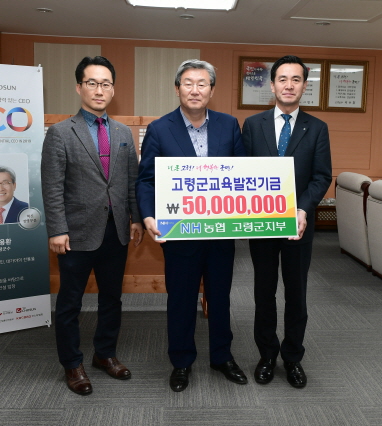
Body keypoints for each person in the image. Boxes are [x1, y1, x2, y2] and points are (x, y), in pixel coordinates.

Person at [136, 59, 247, 392]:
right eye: (188, 83)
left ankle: (222, 356)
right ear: (177, 89)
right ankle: (181, 361)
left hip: (221, 232)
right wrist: (148, 215)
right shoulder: (159, 128)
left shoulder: (229, 125)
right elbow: (146, 180)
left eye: (202, 83)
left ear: (211, 90)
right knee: (181, 300)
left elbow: (243, 175)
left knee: (220, 297)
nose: (195, 90)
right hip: (179, 232)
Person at [41, 56, 144, 396]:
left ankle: (105, 354)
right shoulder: (60, 133)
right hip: (75, 233)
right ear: (79, 87)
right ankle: (72, 364)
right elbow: (52, 186)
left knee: (112, 298)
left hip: (116, 230)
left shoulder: (123, 133)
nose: (99, 90)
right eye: (92, 83)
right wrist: (57, 229)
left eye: (106, 84)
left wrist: (135, 219)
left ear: (113, 89)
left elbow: (131, 182)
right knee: (70, 303)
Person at [242, 55, 332, 389]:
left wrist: (303, 210)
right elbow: (242, 172)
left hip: (299, 226)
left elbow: (321, 176)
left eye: (296, 79)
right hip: (262, 224)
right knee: (264, 292)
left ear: (304, 86)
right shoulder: (253, 125)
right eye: (282, 79)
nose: (289, 85)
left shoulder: (317, 128)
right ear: (272, 85)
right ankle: (267, 355)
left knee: (296, 294)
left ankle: (292, 357)